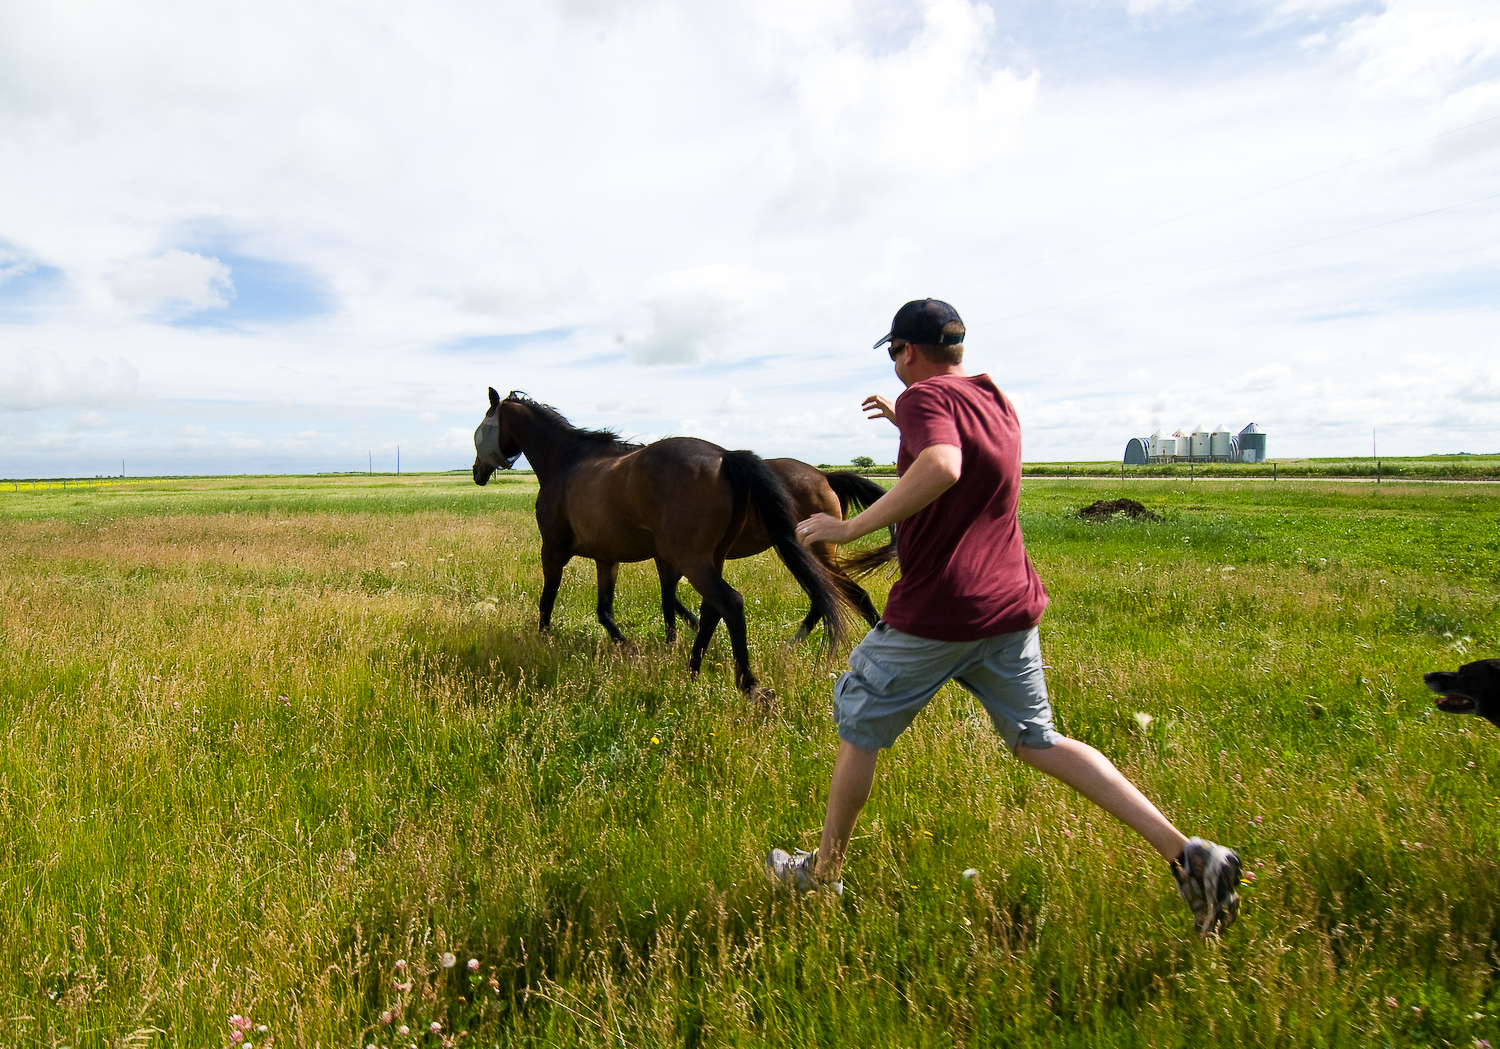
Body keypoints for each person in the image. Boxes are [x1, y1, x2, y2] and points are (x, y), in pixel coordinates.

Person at [765, 298, 1241, 938]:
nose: (895, 366)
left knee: (860, 724)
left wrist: (849, 525)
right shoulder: (995, 400)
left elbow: (943, 465)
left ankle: (823, 874)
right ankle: (1189, 856)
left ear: (906, 351)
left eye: (894, 352)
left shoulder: (923, 400)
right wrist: (902, 424)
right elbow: (963, 460)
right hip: (1009, 606)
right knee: (1038, 740)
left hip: (939, 612)